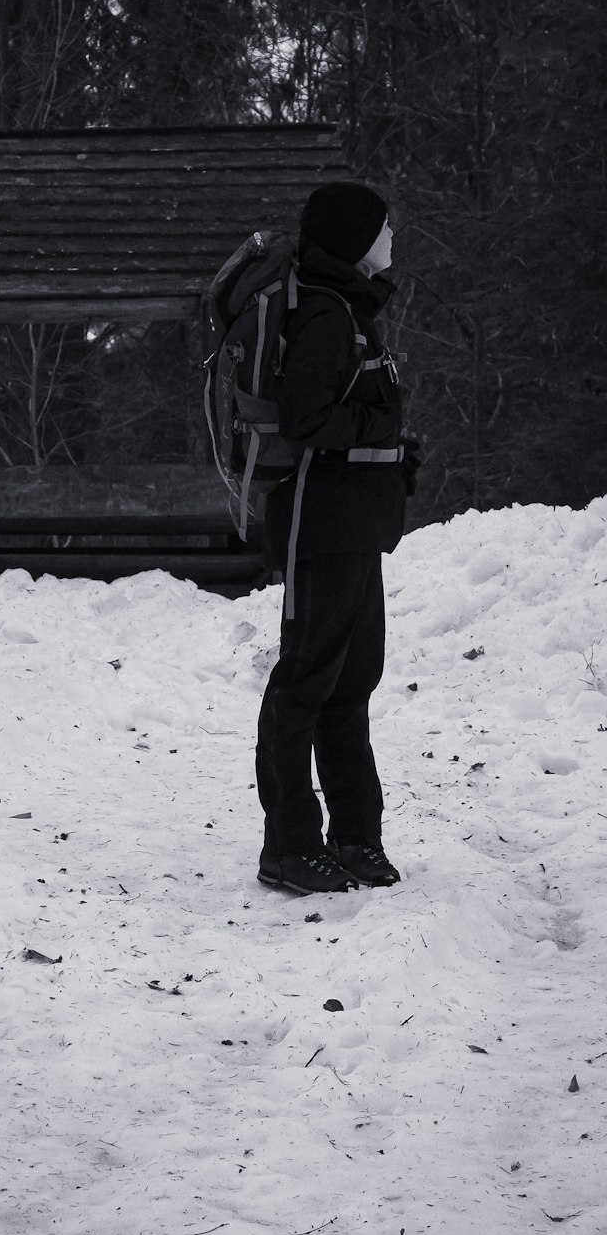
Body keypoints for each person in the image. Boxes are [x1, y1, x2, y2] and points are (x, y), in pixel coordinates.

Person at [255, 180, 418, 895]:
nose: (392, 237)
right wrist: (382, 432)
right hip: (319, 525)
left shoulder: (350, 309)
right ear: (354, 240)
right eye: (383, 228)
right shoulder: (326, 315)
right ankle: (289, 846)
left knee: (352, 682)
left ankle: (355, 836)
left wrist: (391, 449)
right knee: (306, 684)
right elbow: (304, 418)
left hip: (355, 525)